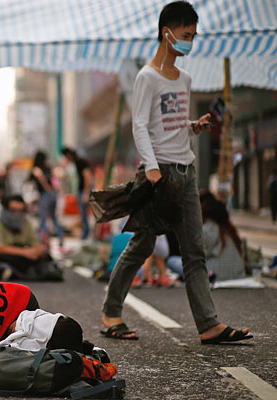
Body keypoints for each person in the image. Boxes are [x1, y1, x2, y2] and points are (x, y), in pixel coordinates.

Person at [101, 1, 251, 344]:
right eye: (186, 35)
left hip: (186, 173)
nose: (190, 42)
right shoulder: (146, 77)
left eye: (193, 36)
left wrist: (191, 127)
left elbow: (168, 123)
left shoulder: (184, 79)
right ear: (166, 33)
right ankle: (111, 312)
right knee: (142, 246)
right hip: (158, 175)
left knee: (194, 251)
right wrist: (152, 169)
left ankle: (209, 325)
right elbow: (140, 125)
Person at [0, 195, 61, 281]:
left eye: (21, 211)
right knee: (7, 258)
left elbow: (34, 243)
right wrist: (26, 252)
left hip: (19, 256)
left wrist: (40, 250)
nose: (17, 214)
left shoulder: (25, 222)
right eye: (13, 210)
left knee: (43, 258)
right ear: (5, 210)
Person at [200, 193, 246, 281]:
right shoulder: (229, 231)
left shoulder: (206, 230)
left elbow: (197, 257)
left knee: (174, 261)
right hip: (238, 275)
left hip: (214, 276)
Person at [30, 150, 64, 248]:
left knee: (43, 219)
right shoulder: (48, 167)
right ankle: (61, 237)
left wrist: (48, 189)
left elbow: (42, 180)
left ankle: (43, 241)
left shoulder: (37, 169)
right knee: (54, 218)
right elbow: (55, 179)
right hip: (53, 194)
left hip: (46, 194)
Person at [61, 148, 93, 239]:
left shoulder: (81, 162)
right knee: (83, 214)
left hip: (84, 191)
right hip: (82, 191)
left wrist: (86, 193)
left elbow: (87, 177)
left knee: (84, 214)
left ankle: (86, 235)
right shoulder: (76, 163)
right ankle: (85, 234)